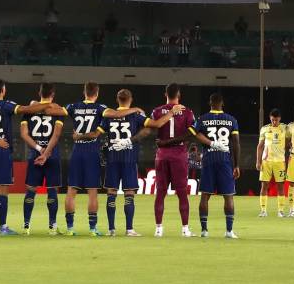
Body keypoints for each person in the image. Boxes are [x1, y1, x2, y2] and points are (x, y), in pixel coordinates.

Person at [0, 79, 63, 235]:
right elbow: (25, 109)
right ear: (3, 90)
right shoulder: (6, 105)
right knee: (3, 188)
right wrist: (47, 105)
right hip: (2, 149)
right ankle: (3, 227)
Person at [102, 89, 175, 236]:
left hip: (112, 157)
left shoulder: (108, 115)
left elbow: (99, 132)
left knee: (111, 193)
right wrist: (171, 112)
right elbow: (156, 124)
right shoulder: (136, 116)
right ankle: (129, 229)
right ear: (131, 99)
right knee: (129, 193)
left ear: (117, 99)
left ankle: (111, 229)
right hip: (128, 158)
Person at [20, 83, 69, 235]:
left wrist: (39, 149)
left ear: (39, 93)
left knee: (31, 190)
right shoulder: (57, 111)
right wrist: (47, 152)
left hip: (35, 154)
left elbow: (24, 134)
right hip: (52, 154)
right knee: (52, 189)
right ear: (53, 95)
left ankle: (26, 226)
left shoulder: (29, 110)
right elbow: (56, 135)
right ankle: (52, 227)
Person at [63, 81, 108, 236]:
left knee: (71, 190)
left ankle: (70, 229)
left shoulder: (73, 107)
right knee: (93, 192)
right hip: (92, 152)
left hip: (77, 151)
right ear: (97, 93)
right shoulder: (101, 108)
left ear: (84, 92)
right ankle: (93, 229)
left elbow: (56, 111)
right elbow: (115, 115)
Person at [192, 93, 239, 239]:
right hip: (225, 161)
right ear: (222, 103)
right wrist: (237, 165)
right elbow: (236, 143)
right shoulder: (231, 120)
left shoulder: (202, 119)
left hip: (208, 160)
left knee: (205, 196)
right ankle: (229, 231)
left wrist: (211, 143)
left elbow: (194, 133)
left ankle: (204, 230)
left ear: (210, 103)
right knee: (228, 196)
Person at [151, 82, 196, 237]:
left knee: (160, 193)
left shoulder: (157, 111)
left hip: (162, 154)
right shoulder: (187, 112)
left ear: (166, 95)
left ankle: (158, 228)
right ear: (179, 95)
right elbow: (192, 133)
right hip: (179, 155)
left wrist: (164, 141)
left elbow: (152, 128)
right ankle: (185, 229)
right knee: (182, 193)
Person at [256, 109, 287, 217]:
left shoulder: (284, 128)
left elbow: (291, 139)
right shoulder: (264, 129)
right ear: (270, 118)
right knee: (264, 185)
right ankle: (263, 210)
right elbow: (260, 146)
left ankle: (281, 211)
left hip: (280, 162)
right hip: (266, 162)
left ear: (280, 119)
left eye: (276, 120)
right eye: (273, 120)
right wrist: (258, 161)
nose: (274, 122)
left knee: (280, 186)